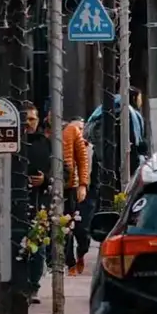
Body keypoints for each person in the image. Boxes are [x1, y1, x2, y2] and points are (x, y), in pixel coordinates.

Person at [59, 113, 92, 272]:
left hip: (72, 186)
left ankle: (81, 252)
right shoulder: (46, 133)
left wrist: (82, 184)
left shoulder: (72, 131)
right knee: (64, 226)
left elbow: (82, 160)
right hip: (54, 186)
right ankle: (69, 262)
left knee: (79, 228)